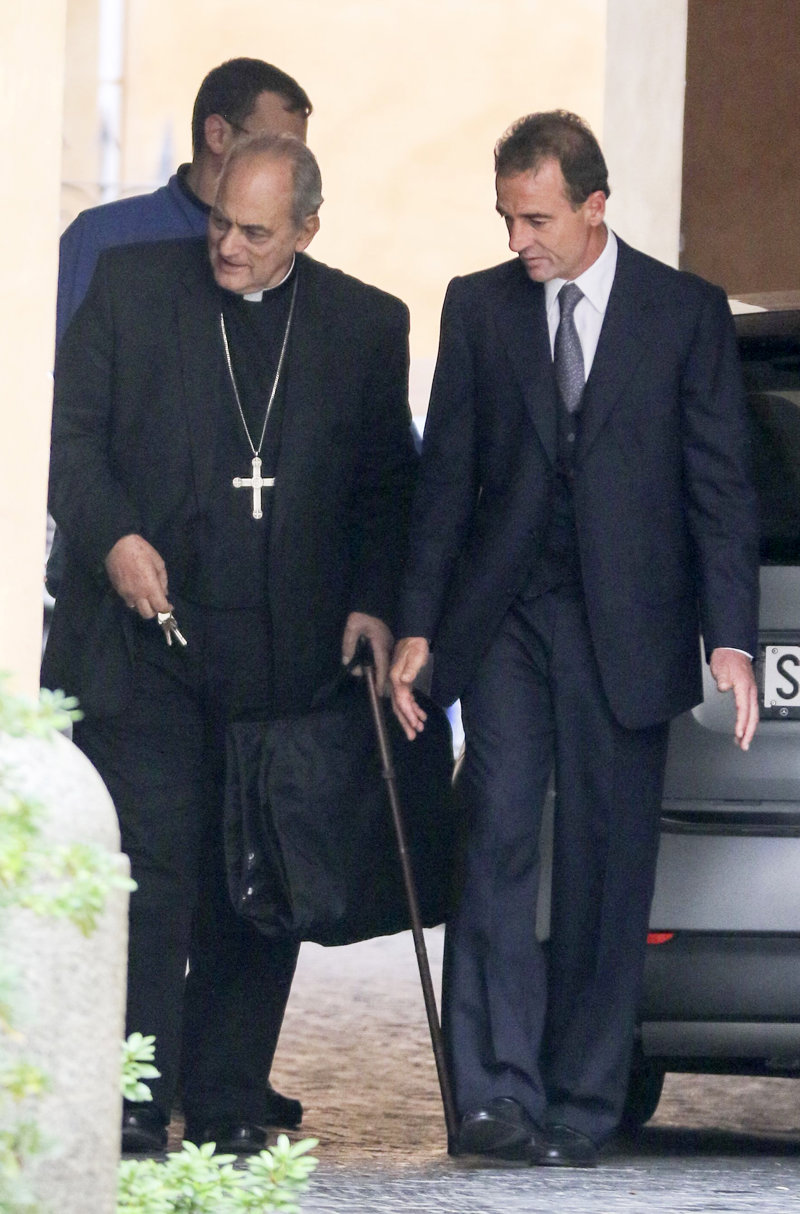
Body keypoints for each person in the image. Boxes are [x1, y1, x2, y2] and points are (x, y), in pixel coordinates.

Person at [390, 110, 759, 1167]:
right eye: (506, 218)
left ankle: (585, 1100)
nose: (519, 241)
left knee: (607, 857)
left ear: (595, 206)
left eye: (538, 219)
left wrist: (730, 638)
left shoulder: (683, 313)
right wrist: (418, 624)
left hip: (629, 625)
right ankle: (494, 1096)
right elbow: (444, 482)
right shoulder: (478, 306)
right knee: (498, 831)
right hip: (506, 616)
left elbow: (719, 487)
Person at [43, 133, 417, 1155]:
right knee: (153, 874)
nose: (229, 246)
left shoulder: (363, 324)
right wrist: (115, 537)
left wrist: (373, 600)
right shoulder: (130, 288)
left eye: (255, 231)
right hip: (147, 645)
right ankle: (133, 1091)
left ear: (306, 230)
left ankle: (224, 1097)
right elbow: (65, 440)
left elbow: (389, 486)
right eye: (219, 221)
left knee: (259, 882)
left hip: (286, 659)